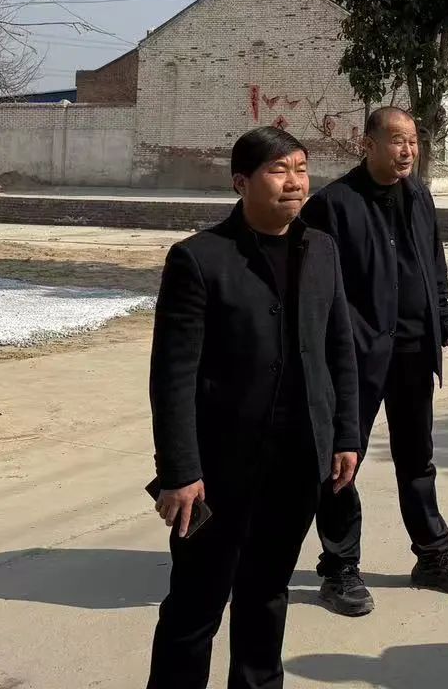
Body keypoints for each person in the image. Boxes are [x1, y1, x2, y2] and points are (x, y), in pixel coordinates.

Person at [146, 126, 361, 689]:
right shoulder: (199, 259)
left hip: (297, 462)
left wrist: (345, 435)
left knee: (266, 595)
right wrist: (180, 472)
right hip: (218, 472)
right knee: (195, 605)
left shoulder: (322, 250)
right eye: (278, 170)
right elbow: (172, 377)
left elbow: (339, 349)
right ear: (241, 182)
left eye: (301, 169)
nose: (294, 182)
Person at [300, 106, 448, 616]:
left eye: (413, 141)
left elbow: (433, 265)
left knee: (417, 458)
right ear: (369, 144)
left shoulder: (419, 195)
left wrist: (446, 321)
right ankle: (339, 568)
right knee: (341, 463)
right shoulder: (333, 205)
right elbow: (316, 288)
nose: (407, 151)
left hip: (413, 350)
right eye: (397, 140)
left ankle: (433, 555)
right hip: (356, 358)